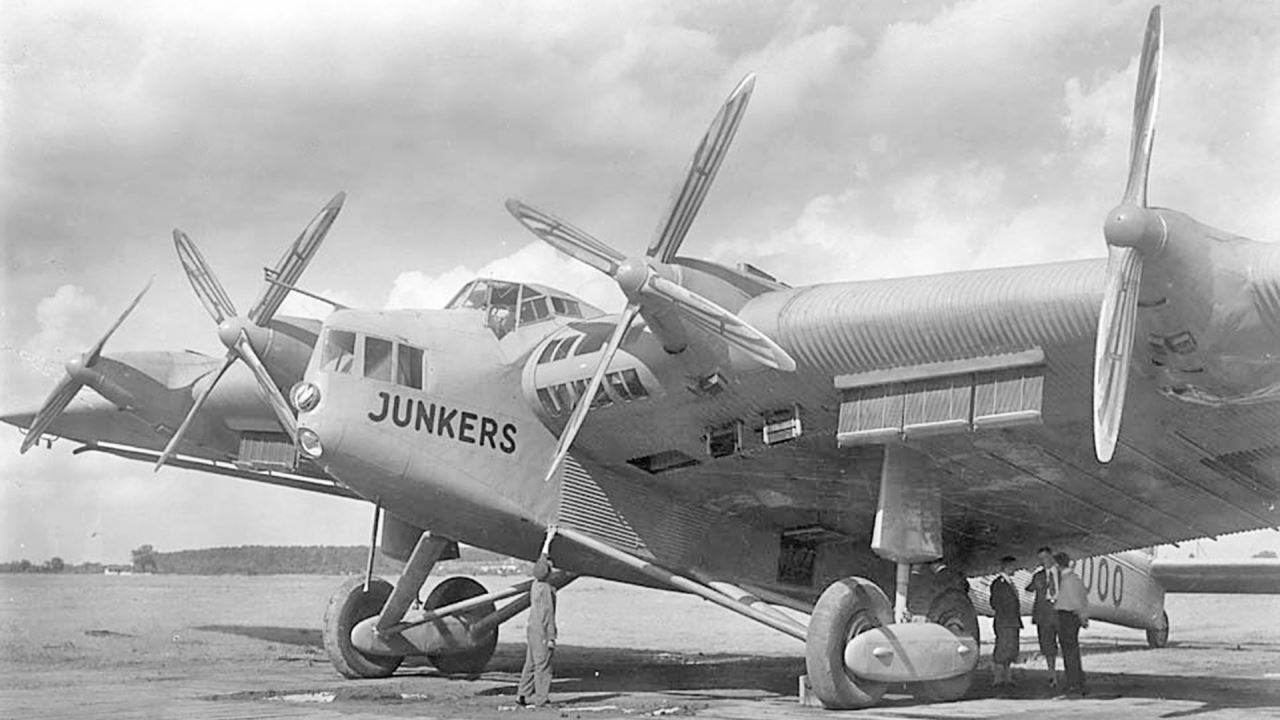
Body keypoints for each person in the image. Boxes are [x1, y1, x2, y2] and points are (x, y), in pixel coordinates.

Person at [517, 554, 557, 707]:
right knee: (543, 665)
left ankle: (522, 695)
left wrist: (547, 542)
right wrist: (551, 637)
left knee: (530, 663)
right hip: (542, 630)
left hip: (532, 628)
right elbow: (547, 615)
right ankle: (541, 699)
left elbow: (540, 566)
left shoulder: (535, 584)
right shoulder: (546, 589)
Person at [1052, 551, 1089, 697]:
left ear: (1058, 565)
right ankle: (1077, 680)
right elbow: (1083, 599)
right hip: (1073, 618)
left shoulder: (1066, 581)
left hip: (1067, 616)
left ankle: (1073, 683)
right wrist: (1083, 617)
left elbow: (1074, 601)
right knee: (1073, 649)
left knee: (1069, 651)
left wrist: (1080, 615)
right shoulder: (1076, 578)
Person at [1025, 546, 1060, 687]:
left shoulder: (1063, 573)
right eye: (1041, 559)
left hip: (1060, 613)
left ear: (1051, 556)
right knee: (1048, 647)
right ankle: (1052, 675)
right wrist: (1030, 574)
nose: (1044, 561)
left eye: (1046, 557)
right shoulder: (1038, 576)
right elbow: (1028, 588)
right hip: (1044, 615)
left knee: (1067, 645)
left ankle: (1072, 676)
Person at [989, 555, 1023, 689]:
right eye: (1012, 566)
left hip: (1012, 621)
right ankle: (998, 678)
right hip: (1004, 621)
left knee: (1010, 649)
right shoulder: (999, 583)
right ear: (1007, 567)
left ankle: (1008, 677)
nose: (1014, 569)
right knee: (1002, 648)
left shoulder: (1009, 583)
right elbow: (994, 602)